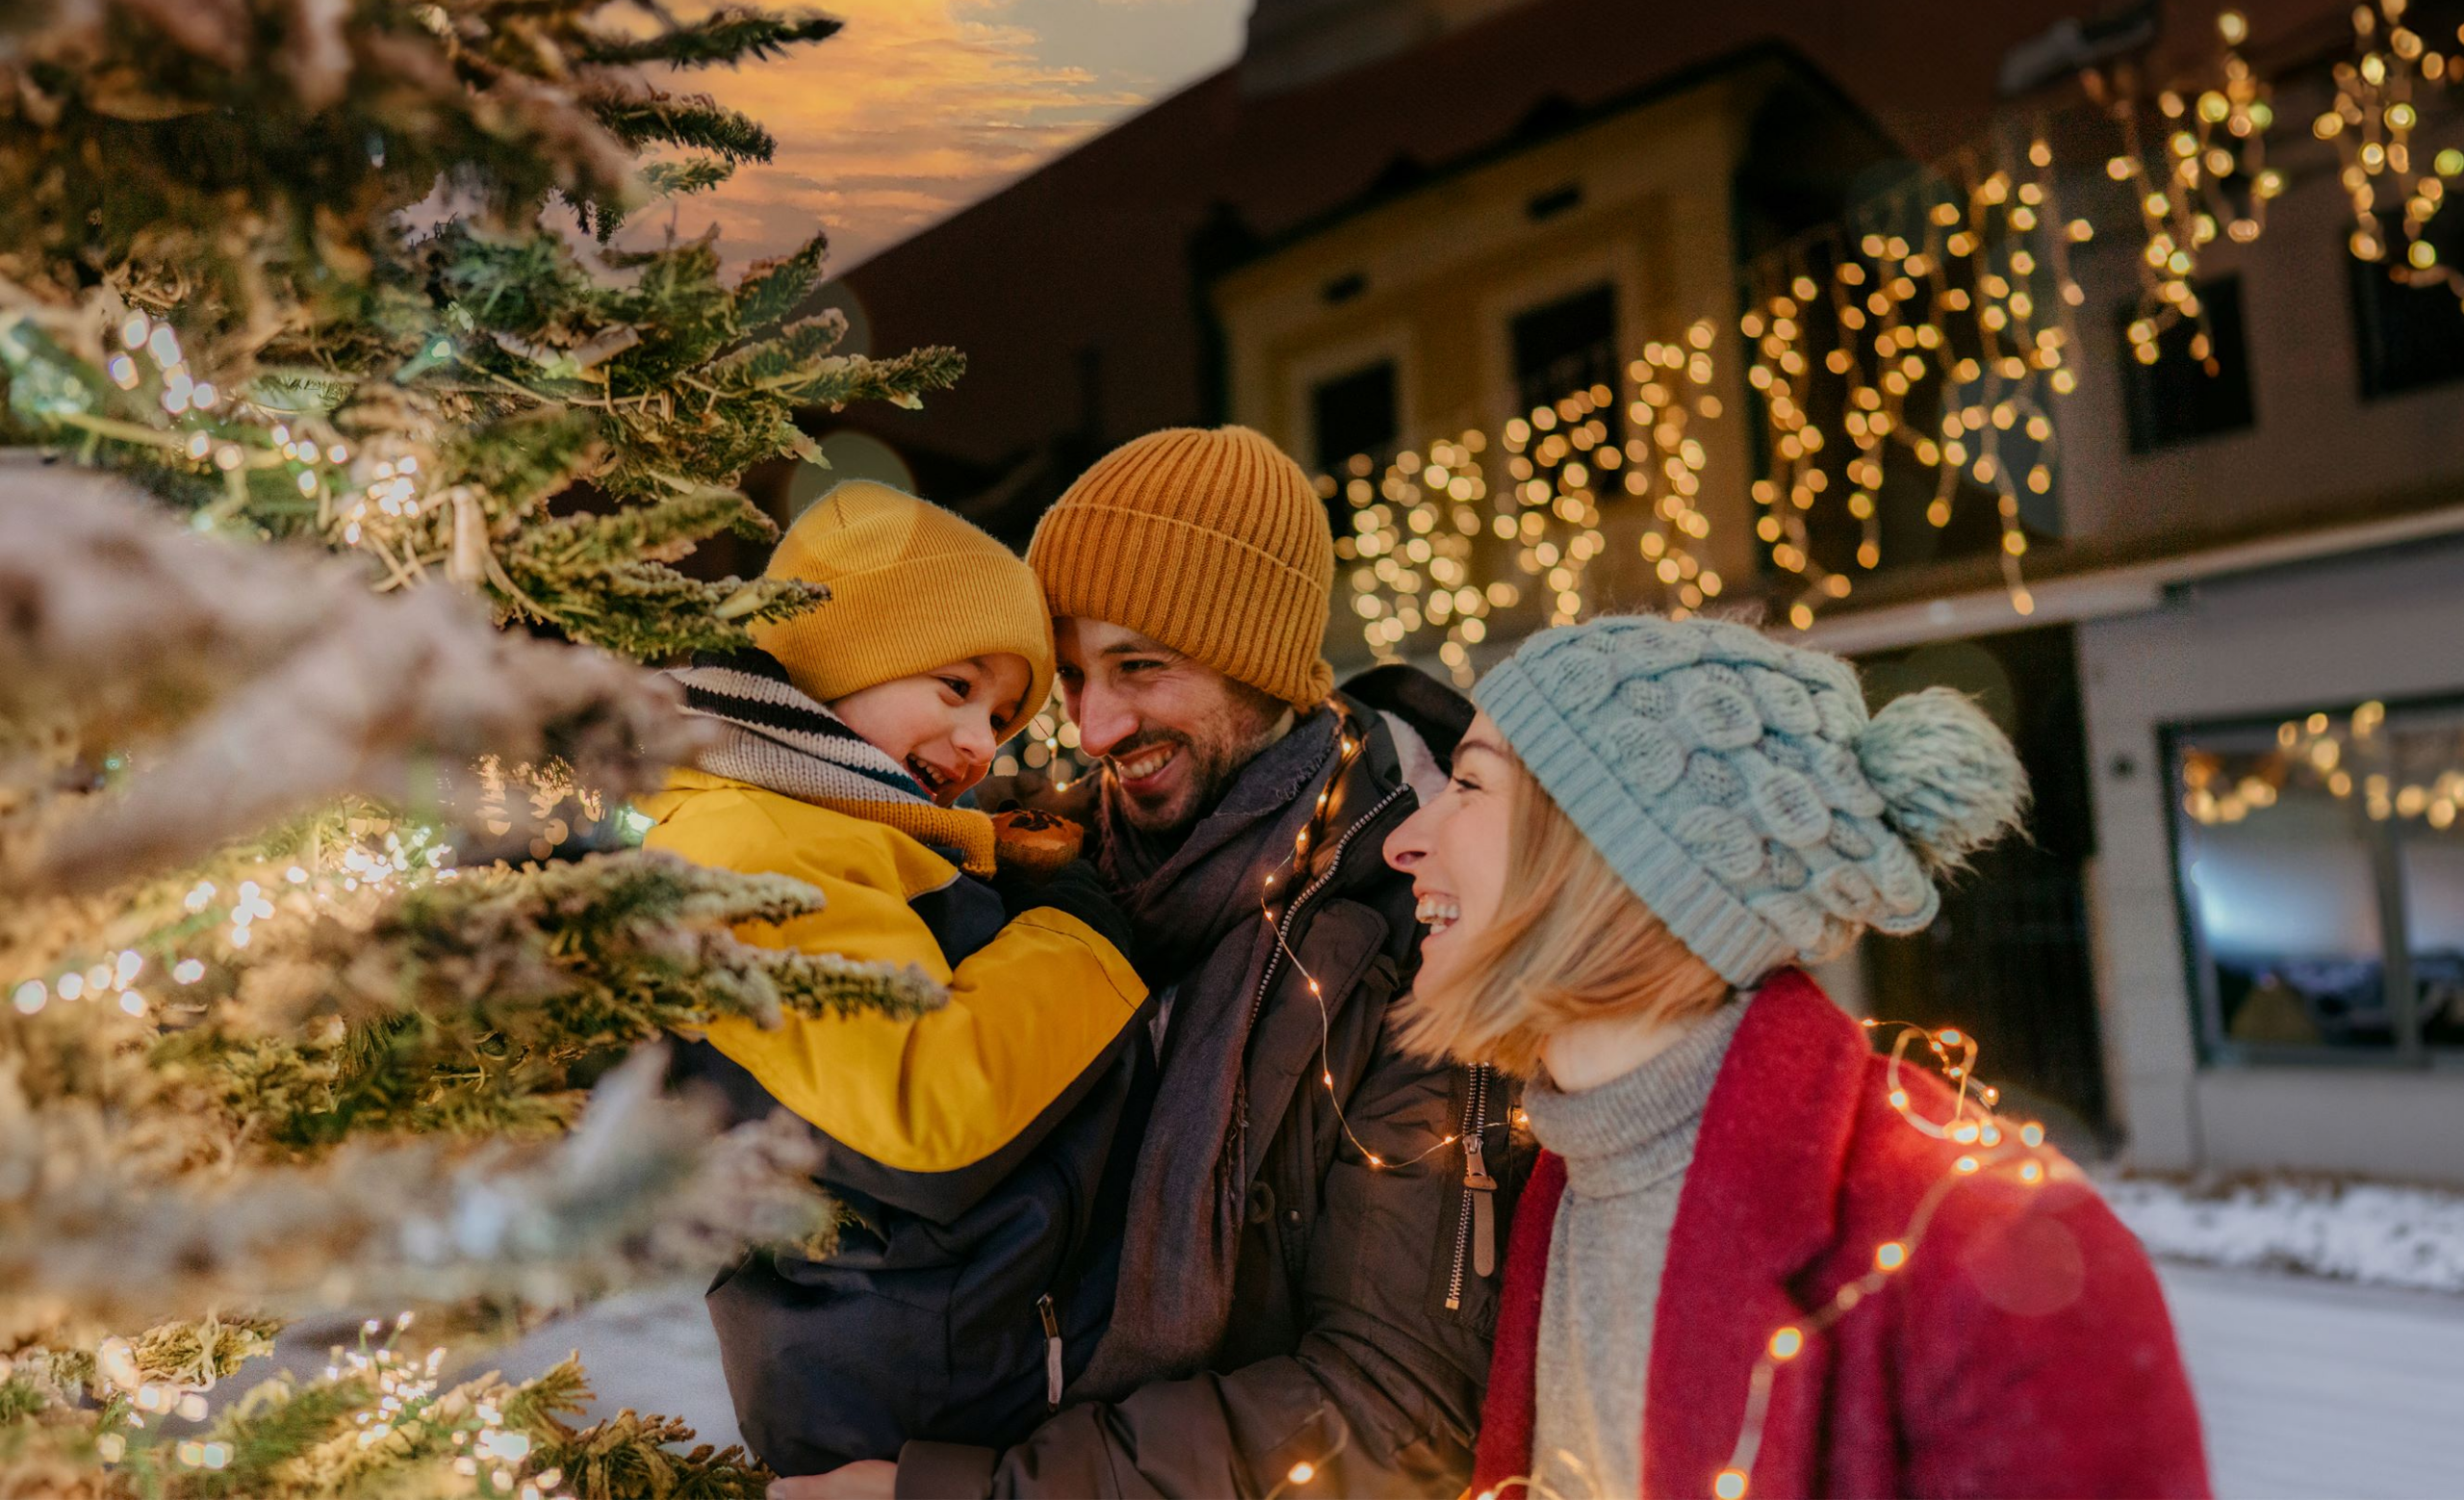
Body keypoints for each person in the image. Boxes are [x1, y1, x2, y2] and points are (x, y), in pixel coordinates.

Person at [783, 426, 1528, 1498]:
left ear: (1261, 661)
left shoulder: (1414, 927)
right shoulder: (1039, 871)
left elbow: (1391, 1406)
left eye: (1141, 667)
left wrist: (976, 1491)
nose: (1092, 725)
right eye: (1075, 673)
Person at [1380, 613, 2212, 1500]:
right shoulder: (1566, 1182)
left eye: (1470, 784)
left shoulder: (1992, 1251)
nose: (1404, 841)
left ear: (1621, 855)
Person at [638, 480, 1151, 1477]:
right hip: (896, 1410)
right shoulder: (752, 840)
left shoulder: (837, 830)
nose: (978, 742)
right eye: (954, 688)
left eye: (1001, 714)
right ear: (836, 661)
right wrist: (1081, 930)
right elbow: (921, 1109)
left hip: (930, 1375)